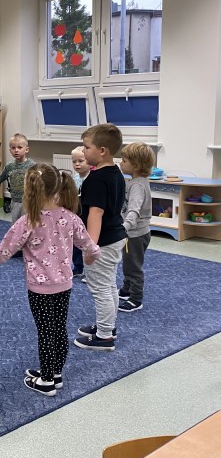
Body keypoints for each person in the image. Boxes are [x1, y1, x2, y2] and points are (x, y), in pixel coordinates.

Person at [0, 164, 100, 396]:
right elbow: (90, 247)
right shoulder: (70, 218)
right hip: (64, 284)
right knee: (58, 328)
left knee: (46, 331)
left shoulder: (28, 222)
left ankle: (46, 381)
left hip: (40, 288)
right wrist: (91, 258)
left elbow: (2, 254)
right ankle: (55, 373)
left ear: (29, 190)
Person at [74, 124, 127, 351]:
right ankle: (107, 326)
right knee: (109, 285)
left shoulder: (95, 179)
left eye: (87, 147)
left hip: (103, 241)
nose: (83, 152)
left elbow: (95, 214)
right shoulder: (116, 172)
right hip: (115, 236)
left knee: (101, 289)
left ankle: (104, 336)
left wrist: (90, 247)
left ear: (102, 150)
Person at [117, 142, 155, 313]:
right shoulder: (138, 181)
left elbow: (134, 209)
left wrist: (124, 227)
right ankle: (126, 290)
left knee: (133, 266)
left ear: (136, 165)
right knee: (128, 262)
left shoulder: (137, 186)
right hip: (137, 232)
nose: (121, 163)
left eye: (124, 160)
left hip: (135, 234)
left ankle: (136, 299)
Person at [0, 133, 34, 224]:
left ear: (27, 149)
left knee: (27, 224)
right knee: (15, 224)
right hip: (14, 200)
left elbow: (39, 181)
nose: (16, 150)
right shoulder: (10, 166)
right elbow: (1, 177)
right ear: (10, 150)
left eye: (19, 147)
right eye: (13, 148)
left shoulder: (32, 166)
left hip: (28, 201)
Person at [70, 145, 91, 280]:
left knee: (87, 243)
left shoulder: (92, 178)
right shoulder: (74, 178)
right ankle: (78, 267)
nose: (77, 164)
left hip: (88, 216)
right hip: (75, 215)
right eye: (74, 161)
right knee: (75, 242)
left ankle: (89, 270)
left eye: (80, 161)